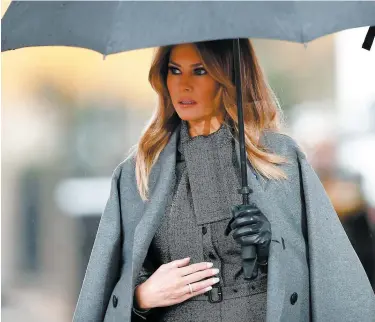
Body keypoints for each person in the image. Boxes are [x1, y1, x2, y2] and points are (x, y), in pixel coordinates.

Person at [72, 39, 375, 322]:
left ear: (227, 76)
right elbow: (109, 286)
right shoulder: (137, 174)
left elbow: (327, 272)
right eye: (174, 70)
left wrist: (273, 245)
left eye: (200, 70)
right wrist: (142, 296)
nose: (183, 84)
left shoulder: (280, 158)